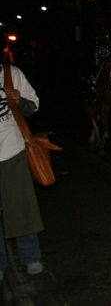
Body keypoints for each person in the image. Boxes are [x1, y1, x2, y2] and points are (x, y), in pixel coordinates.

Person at [0, 64, 44, 279]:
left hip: (12, 148)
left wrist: (17, 99)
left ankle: (30, 256)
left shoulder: (11, 74)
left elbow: (33, 105)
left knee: (21, 204)